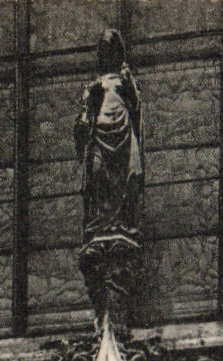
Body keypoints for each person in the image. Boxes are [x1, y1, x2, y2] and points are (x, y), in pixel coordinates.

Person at [74, 28, 143, 242]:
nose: (107, 55)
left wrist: (129, 81)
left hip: (122, 131)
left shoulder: (124, 79)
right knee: (97, 175)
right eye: (103, 50)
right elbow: (84, 119)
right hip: (100, 135)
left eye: (111, 50)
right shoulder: (93, 86)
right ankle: (100, 223)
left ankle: (123, 222)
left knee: (126, 177)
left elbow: (136, 107)